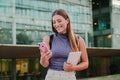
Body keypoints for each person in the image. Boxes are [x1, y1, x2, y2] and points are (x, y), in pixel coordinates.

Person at [39, 9, 89, 80]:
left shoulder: (78, 40)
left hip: (69, 77)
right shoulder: (48, 39)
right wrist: (43, 59)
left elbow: (86, 63)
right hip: (52, 76)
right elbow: (45, 64)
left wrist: (73, 68)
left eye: (59, 21)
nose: (56, 24)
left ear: (67, 21)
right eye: (54, 22)